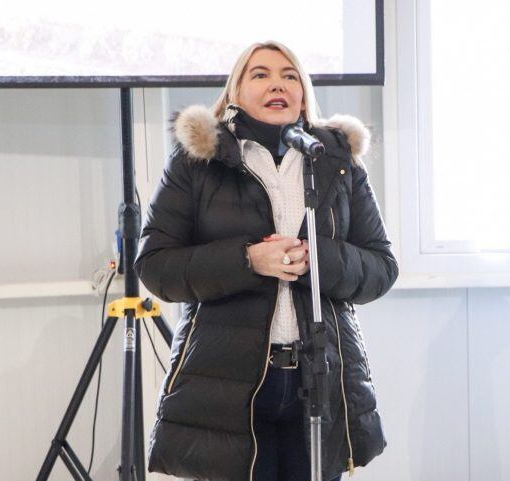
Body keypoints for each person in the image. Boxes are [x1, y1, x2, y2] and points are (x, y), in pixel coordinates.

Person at [134, 40, 398, 481]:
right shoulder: (197, 161)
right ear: (235, 91)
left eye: (289, 75)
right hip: (224, 383)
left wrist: (319, 259)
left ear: (302, 92)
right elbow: (157, 267)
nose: (277, 83)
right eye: (261, 74)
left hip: (320, 380)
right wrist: (248, 260)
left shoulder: (335, 162)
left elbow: (381, 268)